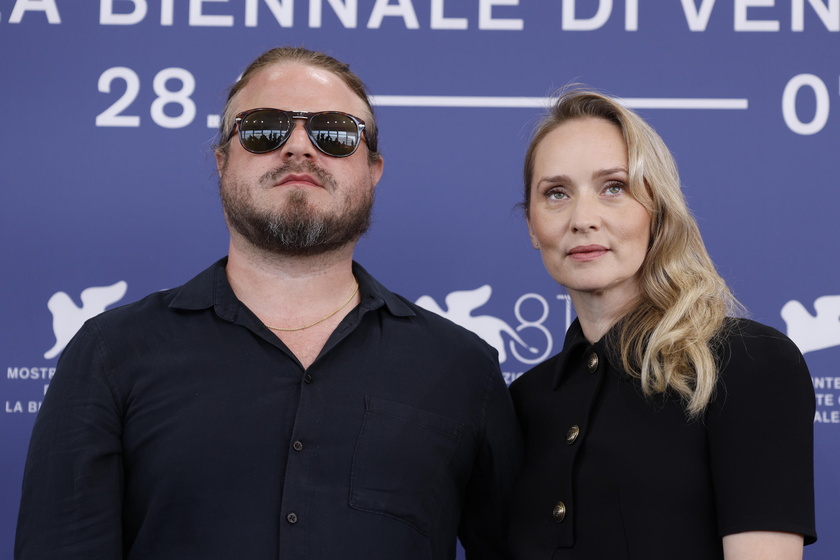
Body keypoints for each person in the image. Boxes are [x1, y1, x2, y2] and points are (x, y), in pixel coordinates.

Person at [15, 47, 522, 560]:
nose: (299, 147)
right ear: (221, 162)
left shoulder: (463, 369)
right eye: (263, 128)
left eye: (335, 133)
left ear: (373, 171)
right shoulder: (110, 355)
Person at [509, 89, 816, 560]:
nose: (582, 219)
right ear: (531, 225)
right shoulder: (522, 401)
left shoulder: (748, 363)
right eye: (556, 193)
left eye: (614, 187)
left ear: (658, 208)